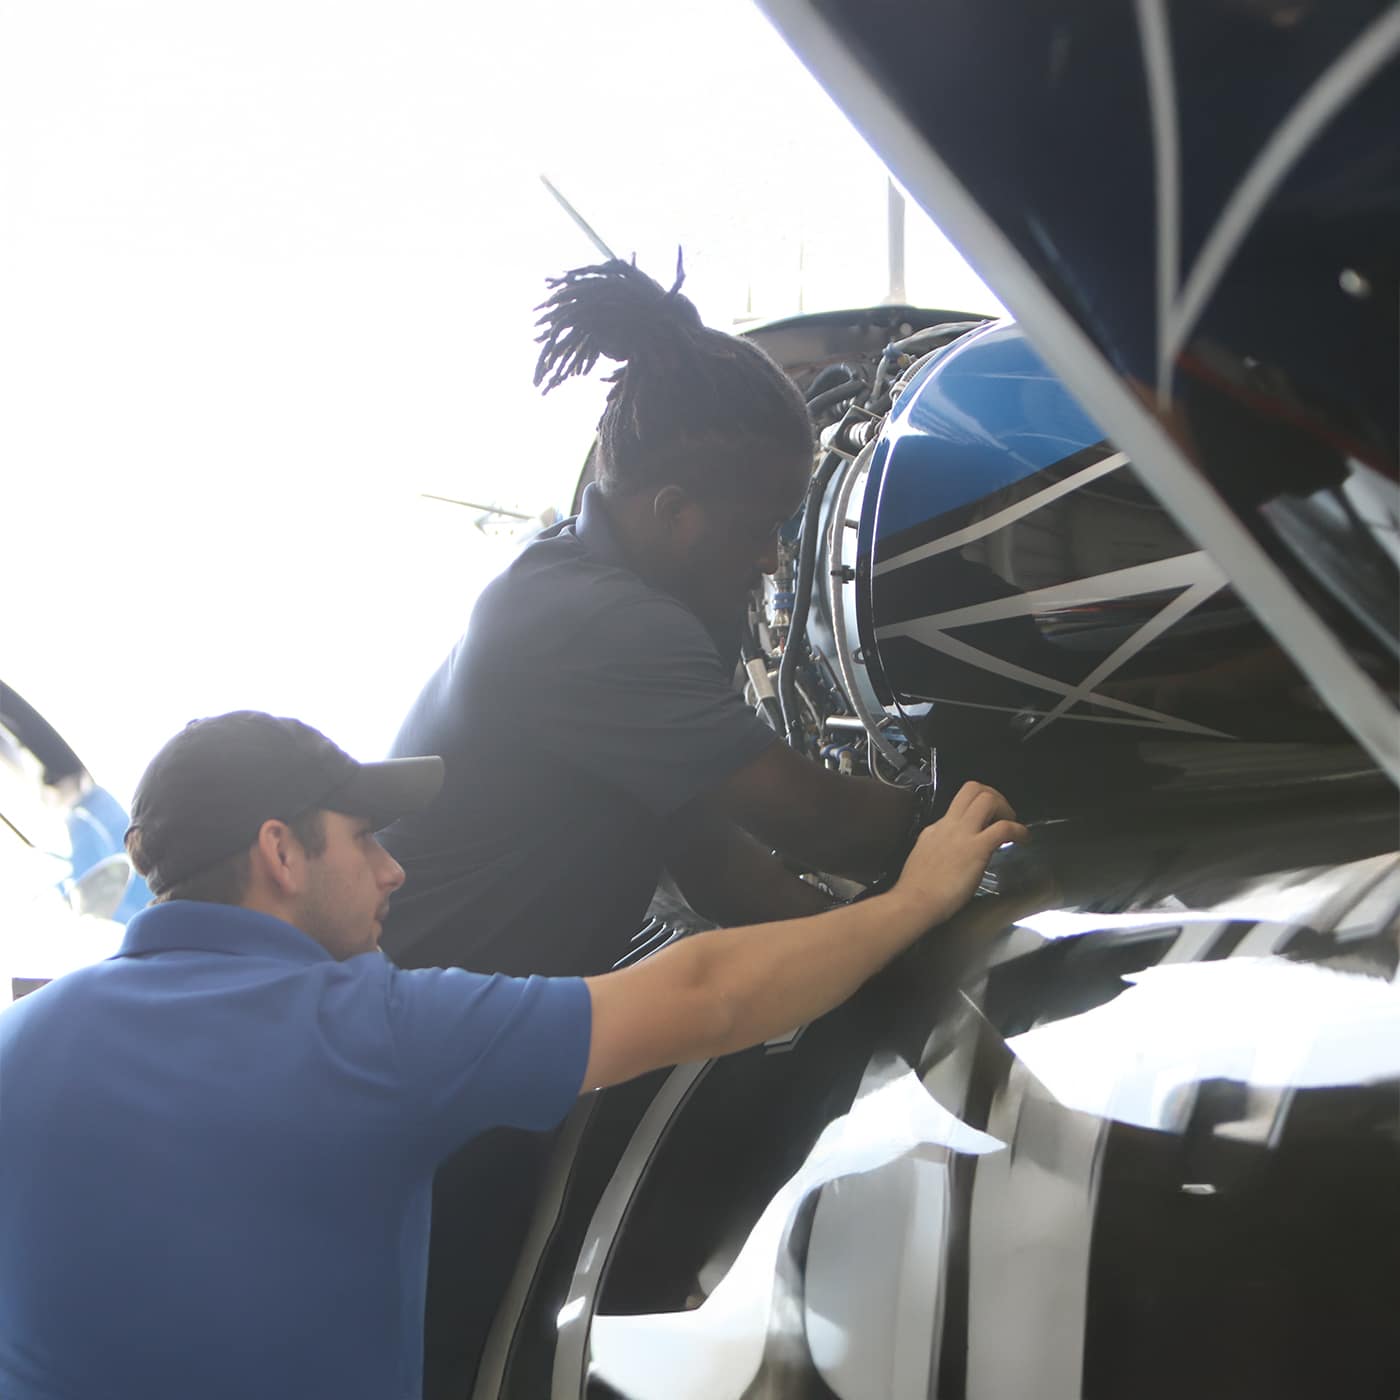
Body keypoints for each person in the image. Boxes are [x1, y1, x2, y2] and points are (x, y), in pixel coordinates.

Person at [0, 711, 1021, 1400]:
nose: (394, 868)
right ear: (279, 851)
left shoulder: (25, 1037)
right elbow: (706, 996)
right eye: (365, 838)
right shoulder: (365, 1032)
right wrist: (913, 898)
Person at [378, 257, 942, 1393]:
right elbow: (803, 813)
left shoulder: (571, 588)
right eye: (760, 526)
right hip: (425, 1085)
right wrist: (949, 828)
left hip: (463, 1059)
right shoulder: (602, 623)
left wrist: (877, 948)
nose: (773, 557)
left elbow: (710, 860)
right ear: (673, 512)